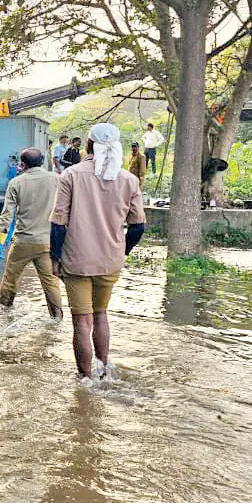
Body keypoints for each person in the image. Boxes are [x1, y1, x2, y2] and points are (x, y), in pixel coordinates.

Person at [50, 123, 146, 381]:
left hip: (77, 261)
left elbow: (59, 223)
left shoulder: (71, 175)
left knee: (82, 321)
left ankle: (84, 378)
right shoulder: (129, 179)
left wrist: (55, 257)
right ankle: (103, 369)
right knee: (101, 314)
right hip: (110, 261)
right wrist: (121, 251)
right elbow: (138, 226)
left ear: (89, 145)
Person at [0, 148, 63, 318]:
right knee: (51, 282)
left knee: (10, 280)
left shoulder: (16, 183)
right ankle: (57, 318)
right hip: (48, 242)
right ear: (43, 161)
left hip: (22, 242)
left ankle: (3, 316)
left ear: (22, 164)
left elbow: (6, 216)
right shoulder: (57, 179)